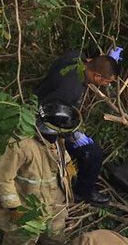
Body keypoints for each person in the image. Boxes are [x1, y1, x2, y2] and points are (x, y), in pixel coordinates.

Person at [0, 102, 78, 245]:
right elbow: (1, 178)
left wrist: (71, 174)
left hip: (55, 203)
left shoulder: (56, 142)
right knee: (21, 239)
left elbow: (63, 163)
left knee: (56, 232)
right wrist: (15, 208)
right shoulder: (20, 145)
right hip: (26, 206)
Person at [35, 48, 122, 204]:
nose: (106, 86)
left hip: (44, 102)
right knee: (93, 153)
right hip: (44, 123)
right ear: (97, 76)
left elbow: (90, 56)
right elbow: (53, 114)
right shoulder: (71, 89)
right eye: (107, 82)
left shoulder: (76, 57)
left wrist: (108, 59)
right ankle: (82, 192)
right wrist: (72, 135)